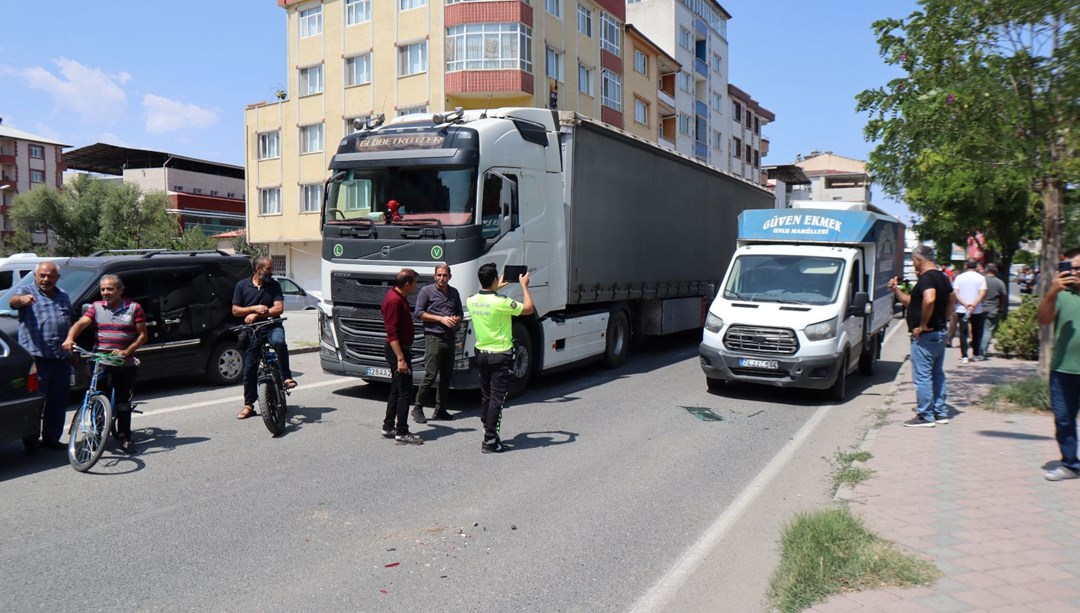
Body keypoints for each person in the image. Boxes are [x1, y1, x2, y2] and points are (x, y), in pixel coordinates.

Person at [62, 275, 147, 454]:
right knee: (98, 399)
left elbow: (142, 336)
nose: (105, 293)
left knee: (123, 402)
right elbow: (80, 324)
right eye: (103, 289)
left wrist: (126, 351)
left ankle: (125, 436)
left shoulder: (134, 308)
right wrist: (70, 338)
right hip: (101, 362)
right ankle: (97, 433)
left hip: (124, 363)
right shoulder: (96, 307)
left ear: (120, 290)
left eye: (110, 289)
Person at [466, 263, 534, 453]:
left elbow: (485, 295)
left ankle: (487, 427)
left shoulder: (471, 300)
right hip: (500, 356)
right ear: (495, 279)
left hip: (482, 356)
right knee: (497, 398)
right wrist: (524, 285)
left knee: (487, 396)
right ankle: (489, 440)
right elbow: (528, 308)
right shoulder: (502, 302)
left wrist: (495, 286)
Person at [888, 244, 955, 427]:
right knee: (937, 374)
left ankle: (925, 415)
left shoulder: (927, 279)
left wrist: (923, 325)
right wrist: (896, 290)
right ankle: (940, 412)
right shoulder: (942, 277)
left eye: (914, 261)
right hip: (939, 332)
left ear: (918, 259)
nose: (913, 265)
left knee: (923, 376)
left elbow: (930, 299)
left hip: (927, 336)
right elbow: (913, 302)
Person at [9, 261, 73, 451]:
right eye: (42, 275)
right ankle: (30, 441)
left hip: (61, 358)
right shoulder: (26, 291)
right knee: (37, 402)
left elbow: (69, 321)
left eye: (50, 276)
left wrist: (73, 351)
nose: (46, 279)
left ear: (57, 278)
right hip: (37, 359)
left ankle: (51, 439)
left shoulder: (63, 296)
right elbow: (13, 301)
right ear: (36, 276)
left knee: (58, 400)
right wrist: (23, 300)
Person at [232, 256, 295, 420]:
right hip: (252, 331)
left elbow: (279, 308)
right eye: (268, 268)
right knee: (249, 368)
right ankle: (249, 405)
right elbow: (236, 310)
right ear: (258, 270)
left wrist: (259, 313)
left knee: (279, 342)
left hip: (272, 326)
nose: (271, 271)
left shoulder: (273, 285)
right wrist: (253, 308)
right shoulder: (242, 286)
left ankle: (287, 377)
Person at [1037, 248, 1080, 481]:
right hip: (1063, 369)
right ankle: (1071, 464)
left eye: (1079, 268)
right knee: (1064, 419)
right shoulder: (1061, 294)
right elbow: (1043, 319)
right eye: (1073, 268)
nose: (1076, 272)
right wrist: (1052, 291)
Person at [412, 264, 463, 423]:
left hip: (450, 337)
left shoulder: (454, 292)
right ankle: (417, 408)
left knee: (447, 376)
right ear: (435, 276)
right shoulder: (426, 291)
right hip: (433, 337)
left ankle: (440, 409)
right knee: (430, 374)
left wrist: (456, 319)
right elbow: (418, 313)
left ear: (450, 276)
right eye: (439, 275)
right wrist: (440, 319)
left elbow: (460, 313)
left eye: (445, 275)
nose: (442, 278)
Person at [381, 268, 423, 445]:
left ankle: (388, 426)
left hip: (401, 350)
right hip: (397, 351)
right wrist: (400, 358)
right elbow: (392, 332)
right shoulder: (393, 301)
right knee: (405, 391)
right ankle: (402, 431)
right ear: (407, 284)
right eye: (415, 283)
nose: (416, 287)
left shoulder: (400, 298)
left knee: (397, 390)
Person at [952, 258, 988, 363]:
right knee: (976, 331)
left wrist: (965, 304)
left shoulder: (959, 278)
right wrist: (973, 305)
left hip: (962, 308)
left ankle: (964, 356)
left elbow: (956, 293)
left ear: (966, 265)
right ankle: (976, 353)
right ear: (976, 266)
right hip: (977, 309)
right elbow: (982, 293)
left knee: (963, 332)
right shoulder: (981, 278)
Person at [978, 263, 1008, 359]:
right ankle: (983, 351)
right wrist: (1000, 308)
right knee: (988, 330)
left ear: (986, 270)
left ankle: (978, 349)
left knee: (979, 329)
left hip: (980, 308)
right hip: (993, 309)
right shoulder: (1000, 283)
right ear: (996, 271)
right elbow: (1003, 297)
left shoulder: (981, 280)